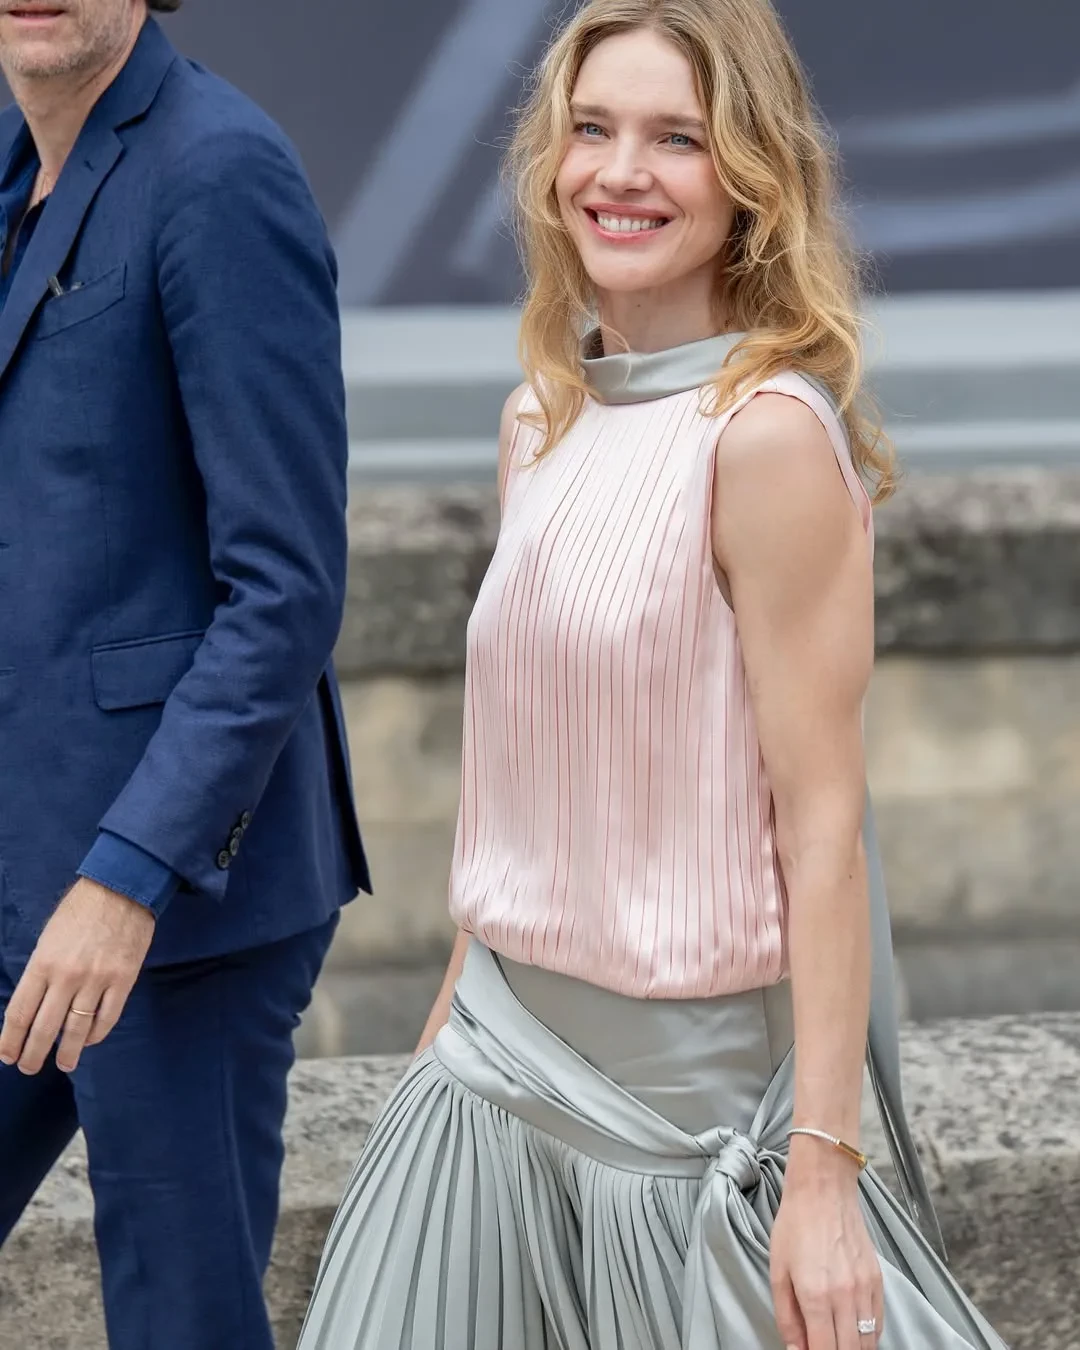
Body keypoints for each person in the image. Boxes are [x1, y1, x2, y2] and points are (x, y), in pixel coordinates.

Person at [297, 3, 1005, 1349]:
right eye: (593, 128)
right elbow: (526, 772)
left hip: (684, 1130)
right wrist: (442, 1036)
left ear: (752, 178)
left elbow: (824, 827)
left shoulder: (769, 438)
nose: (620, 172)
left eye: (676, 137)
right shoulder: (540, 418)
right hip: (486, 1081)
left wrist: (821, 1177)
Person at [0, 2, 370, 1347]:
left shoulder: (221, 170)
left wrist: (128, 878)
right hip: (20, 855)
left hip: (173, 904)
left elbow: (285, 586)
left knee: (182, 1325)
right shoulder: (14, 157)